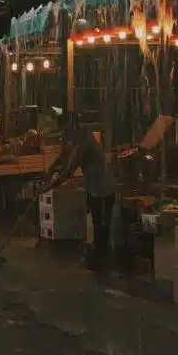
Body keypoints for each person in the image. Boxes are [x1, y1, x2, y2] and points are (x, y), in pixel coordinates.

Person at [47, 115, 116, 273]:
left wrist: (50, 186)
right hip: (94, 189)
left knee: (101, 226)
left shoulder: (86, 144)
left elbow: (70, 168)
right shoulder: (79, 139)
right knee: (96, 223)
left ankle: (102, 262)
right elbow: (65, 155)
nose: (66, 135)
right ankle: (99, 259)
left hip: (104, 189)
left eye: (67, 131)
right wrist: (51, 169)